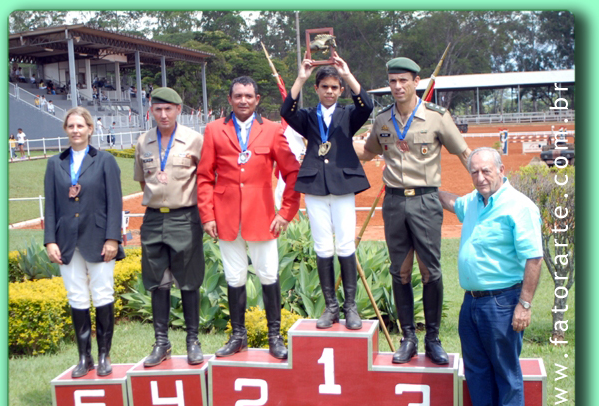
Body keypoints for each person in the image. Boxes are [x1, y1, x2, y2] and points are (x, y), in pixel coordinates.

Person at [356, 57, 471, 365]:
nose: (397, 86)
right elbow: (368, 152)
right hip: (393, 202)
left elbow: (463, 152)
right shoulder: (381, 120)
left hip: (425, 201)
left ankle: (432, 339)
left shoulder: (436, 117)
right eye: (393, 81)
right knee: (400, 271)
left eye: (403, 80)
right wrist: (328, 142)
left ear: (416, 81)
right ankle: (408, 337)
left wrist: (487, 183)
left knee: (430, 271)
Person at [438, 147, 543, 406]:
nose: (480, 177)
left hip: (503, 301)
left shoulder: (519, 206)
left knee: (505, 370)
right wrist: (426, 190)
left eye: (486, 171)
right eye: (475, 172)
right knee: (477, 369)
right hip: (471, 302)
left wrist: (524, 305)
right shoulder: (473, 201)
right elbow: (452, 202)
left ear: (501, 169)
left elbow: (534, 259)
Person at [197, 76, 301, 359]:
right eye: (238, 96)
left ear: (257, 100)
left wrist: (286, 212)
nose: (243, 100)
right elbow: (205, 176)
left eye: (249, 96)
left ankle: (274, 336)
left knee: (268, 275)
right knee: (234, 277)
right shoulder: (214, 130)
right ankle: (238, 336)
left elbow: (292, 172)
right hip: (226, 216)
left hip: (263, 216)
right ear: (230, 100)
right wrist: (207, 215)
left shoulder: (271, 130)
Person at [281, 55, 373, 330]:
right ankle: (330, 307)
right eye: (325, 87)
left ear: (340, 89)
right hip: (315, 186)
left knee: (345, 245)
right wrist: (301, 77)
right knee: (322, 246)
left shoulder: (348, 114)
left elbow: (366, 105)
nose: (330, 91)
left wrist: (347, 73)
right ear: (317, 89)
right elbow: (287, 111)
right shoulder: (308, 116)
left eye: (335, 87)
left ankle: (350, 308)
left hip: (344, 184)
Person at [44, 106, 125, 378]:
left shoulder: (105, 161)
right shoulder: (54, 163)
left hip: (99, 238)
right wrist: (49, 241)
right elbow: (51, 205)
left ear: (90, 129)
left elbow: (115, 202)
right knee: (76, 297)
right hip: (66, 241)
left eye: (81, 126)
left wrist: (113, 238)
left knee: (103, 294)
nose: (76, 131)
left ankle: (104, 355)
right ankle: (84, 357)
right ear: (65, 130)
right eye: (71, 126)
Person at [134, 87, 205, 367]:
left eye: (169, 109)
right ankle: (161, 342)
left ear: (178, 110)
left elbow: (204, 178)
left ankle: (192, 341)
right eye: (158, 109)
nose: (163, 114)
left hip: (184, 217)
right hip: (153, 218)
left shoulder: (194, 141)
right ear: (151, 111)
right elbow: (143, 181)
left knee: (189, 281)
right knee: (157, 282)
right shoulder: (143, 142)